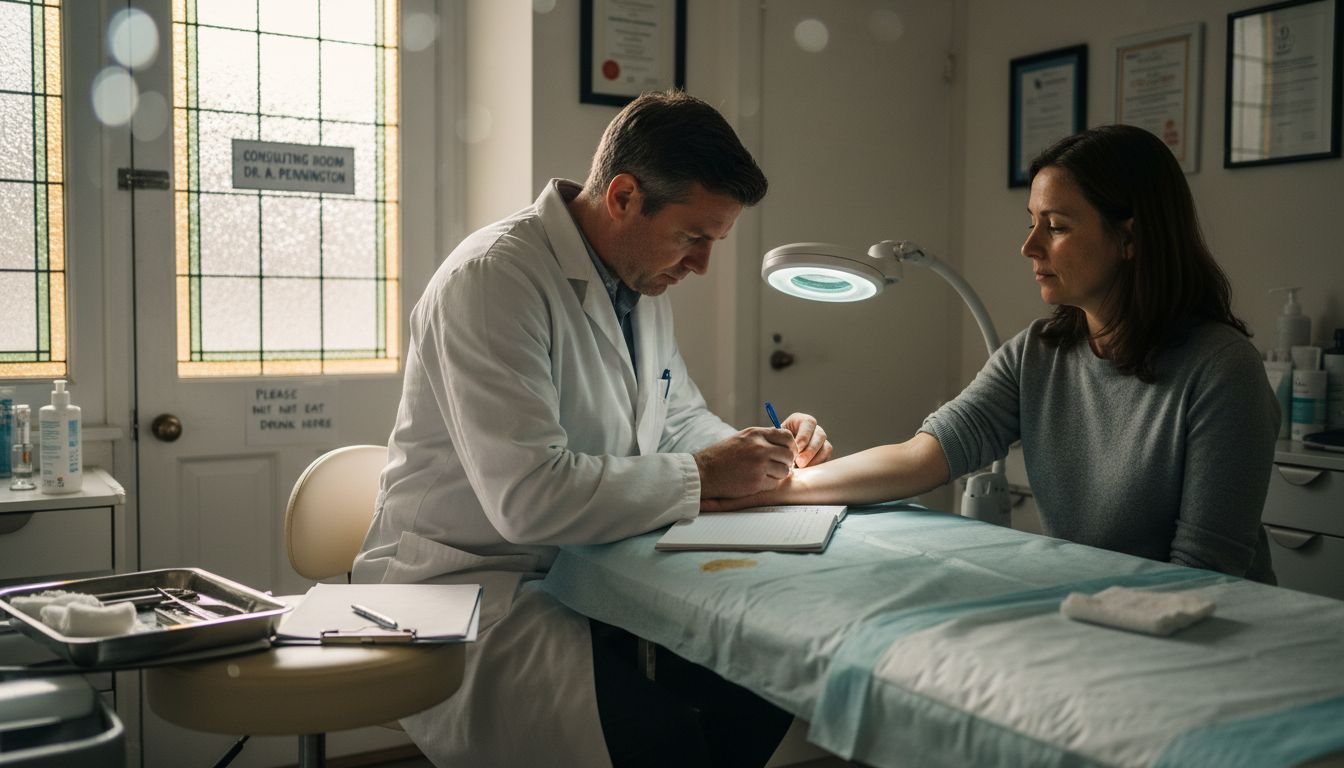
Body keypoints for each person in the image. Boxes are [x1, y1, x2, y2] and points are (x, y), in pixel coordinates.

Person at [354, 90, 832, 768]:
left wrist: (761, 453)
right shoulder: (495, 279)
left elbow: (674, 415)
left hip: (593, 568)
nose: (702, 265)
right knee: (656, 740)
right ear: (624, 197)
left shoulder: (638, 279)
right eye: (694, 237)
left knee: (761, 686)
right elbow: (529, 498)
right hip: (475, 586)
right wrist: (705, 473)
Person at [707, 124, 1279, 583]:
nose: (1028, 247)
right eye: (1031, 223)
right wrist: (778, 490)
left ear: (1130, 238)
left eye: (1054, 227)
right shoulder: (1039, 353)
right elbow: (922, 457)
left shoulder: (1221, 371)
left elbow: (1206, 575)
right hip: (1095, 614)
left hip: (1201, 637)